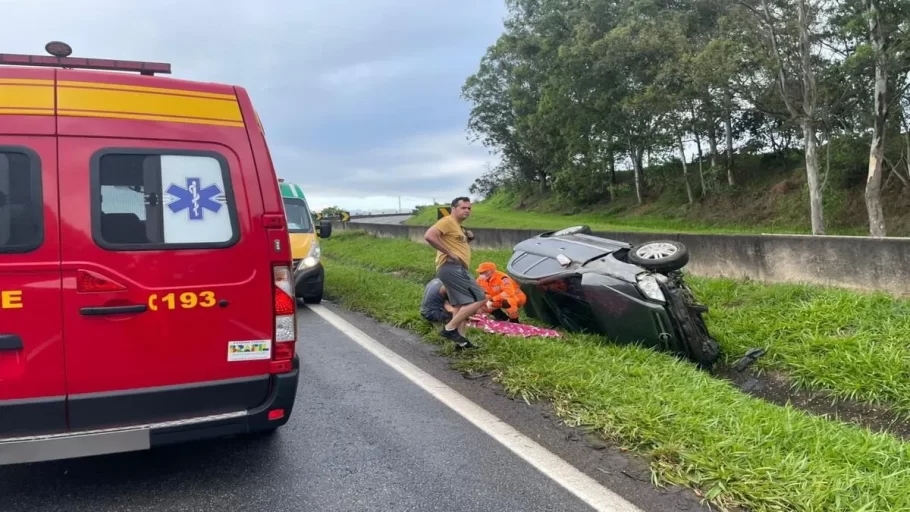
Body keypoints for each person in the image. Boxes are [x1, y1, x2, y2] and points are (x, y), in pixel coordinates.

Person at [423, 197, 486, 349]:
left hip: (456, 268)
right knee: (480, 298)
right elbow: (429, 236)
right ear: (454, 208)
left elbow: (455, 243)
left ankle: (462, 342)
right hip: (451, 267)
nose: (467, 211)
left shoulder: (457, 226)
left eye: (469, 208)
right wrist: (449, 253)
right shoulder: (447, 221)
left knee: (460, 305)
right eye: (463, 208)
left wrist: (467, 239)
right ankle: (450, 329)